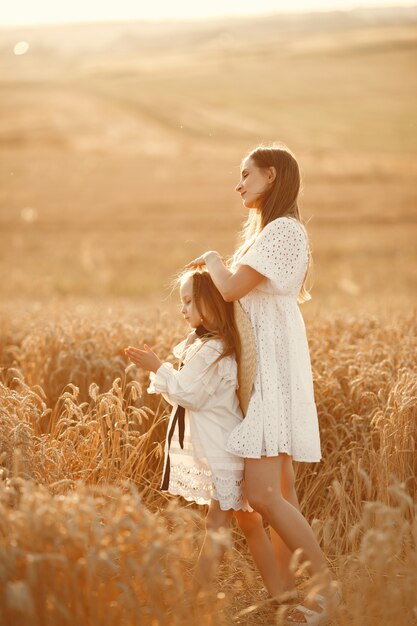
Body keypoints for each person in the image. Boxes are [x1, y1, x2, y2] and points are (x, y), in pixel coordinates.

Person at [186, 144, 341, 624]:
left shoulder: (284, 231)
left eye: (245, 174)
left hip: (272, 376)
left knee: (263, 496)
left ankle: (327, 592)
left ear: (271, 176)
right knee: (280, 494)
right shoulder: (274, 232)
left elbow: (231, 289)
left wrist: (212, 259)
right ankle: (301, 601)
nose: (239, 183)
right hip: (265, 373)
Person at [124, 268, 294, 598]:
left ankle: (195, 599)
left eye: (189, 301)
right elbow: (189, 393)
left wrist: (158, 366)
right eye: (182, 302)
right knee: (249, 523)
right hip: (227, 448)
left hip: (225, 452)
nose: (182, 308)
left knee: (216, 524)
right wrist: (165, 370)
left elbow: (188, 394)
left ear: (210, 303)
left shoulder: (214, 350)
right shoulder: (208, 346)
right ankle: (281, 595)